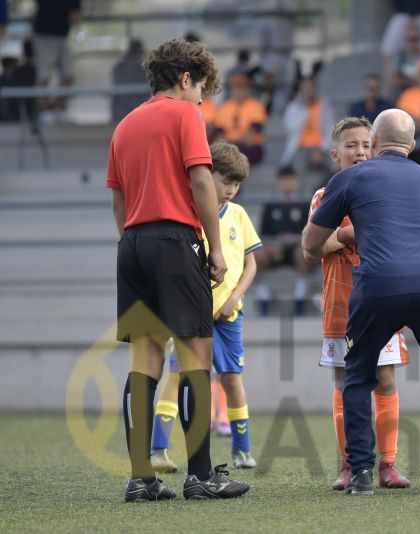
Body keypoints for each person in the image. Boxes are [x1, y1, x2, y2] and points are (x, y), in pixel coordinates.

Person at [302, 109, 420, 495]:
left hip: (375, 287)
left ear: (375, 144)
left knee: (357, 376)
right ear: (412, 146)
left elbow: (310, 245)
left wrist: (353, 236)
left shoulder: (348, 179)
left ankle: (361, 472)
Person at [107, 37, 249, 502]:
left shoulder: (124, 125)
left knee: (145, 361)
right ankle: (202, 476)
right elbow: (201, 180)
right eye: (201, 88)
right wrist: (214, 247)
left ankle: (140, 478)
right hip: (175, 240)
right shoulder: (185, 114)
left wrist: (132, 240)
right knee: (195, 355)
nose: (202, 100)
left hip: (131, 243)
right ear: (186, 78)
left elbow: (118, 196)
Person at [307, 117, 411, 491]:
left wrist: (343, 235)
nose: (361, 152)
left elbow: (391, 239)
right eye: (351, 146)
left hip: (381, 303)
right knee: (345, 382)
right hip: (341, 305)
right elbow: (316, 244)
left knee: (385, 379)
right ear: (335, 154)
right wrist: (357, 232)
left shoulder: (385, 190)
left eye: (367, 145)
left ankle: (388, 464)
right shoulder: (324, 195)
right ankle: (350, 464)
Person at [149, 141, 262, 472]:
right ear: (206, 174)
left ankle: (242, 449)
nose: (230, 189)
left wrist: (232, 298)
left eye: (236, 183)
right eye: (225, 180)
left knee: (231, 378)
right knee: (176, 375)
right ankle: (158, 449)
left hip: (228, 316)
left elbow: (251, 264)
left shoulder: (239, 215)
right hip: (190, 313)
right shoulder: (189, 212)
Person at [253, 166, 315, 316]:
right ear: (278, 183)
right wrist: (273, 243)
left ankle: (299, 297)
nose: (287, 184)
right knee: (254, 255)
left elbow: (313, 232)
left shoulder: (305, 203)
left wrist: (295, 239)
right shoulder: (270, 205)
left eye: (290, 180)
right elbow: (262, 233)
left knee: (305, 253)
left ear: (297, 182)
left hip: (298, 249)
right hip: (275, 250)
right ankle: (264, 296)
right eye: (284, 180)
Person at [280, 76, 335, 184]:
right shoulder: (294, 107)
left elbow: (331, 130)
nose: (308, 91)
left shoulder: (324, 106)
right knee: (297, 167)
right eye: (305, 88)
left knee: (334, 165)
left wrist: (321, 151)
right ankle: (300, 199)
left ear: (316, 89)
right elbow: (291, 127)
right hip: (300, 148)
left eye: (311, 88)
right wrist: (305, 109)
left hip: (321, 148)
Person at [32, 0, 80, 113]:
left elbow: (75, 15)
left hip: (62, 36)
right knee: (43, 75)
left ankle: (59, 108)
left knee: (68, 75)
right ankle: (43, 110)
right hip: (44, 35)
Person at [213, 74, 268, 165]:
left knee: (243, 152)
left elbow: (250, 136)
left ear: (248, 89)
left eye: (242, 88)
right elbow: (219, 136)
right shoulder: (224, 107)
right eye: (235, 88)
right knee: (219, 151)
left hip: (250, 148)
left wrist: (230, 139)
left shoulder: (256, 105)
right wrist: (233, 140)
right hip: (230, 146)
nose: (238, 91)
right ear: (231, 90)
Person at [111, 39, 149, 123]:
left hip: (120, 116)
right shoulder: (142, 69)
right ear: (140, 51)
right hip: (138, 115)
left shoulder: (119, 67)